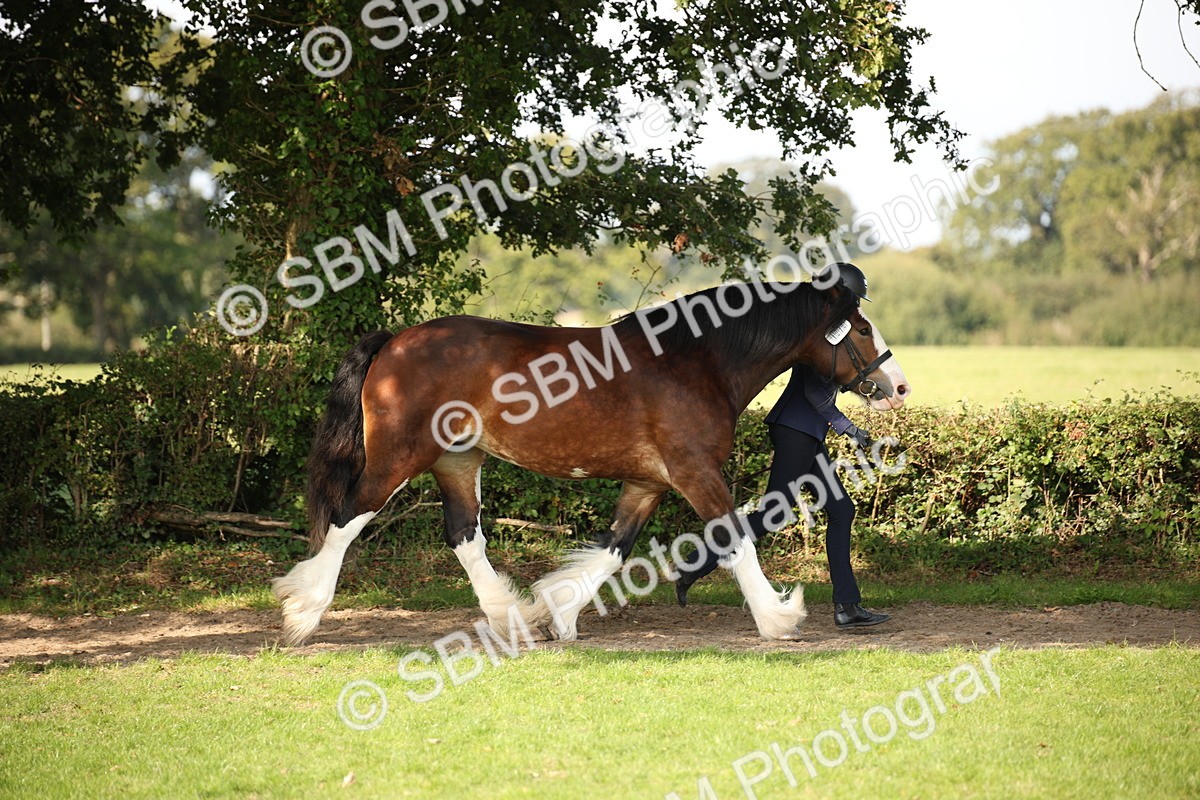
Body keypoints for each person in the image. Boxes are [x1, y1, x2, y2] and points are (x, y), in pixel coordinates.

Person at [673, 263, 891, 630]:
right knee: (774, 514)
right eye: (853, 298)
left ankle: (847, 605)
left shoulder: (827, 332)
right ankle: (698, 561)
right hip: (797, 431)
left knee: (841, 511)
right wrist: (850, 429)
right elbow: (812, 394)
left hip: (806, 432)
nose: (854, 305)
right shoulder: (821, 334)